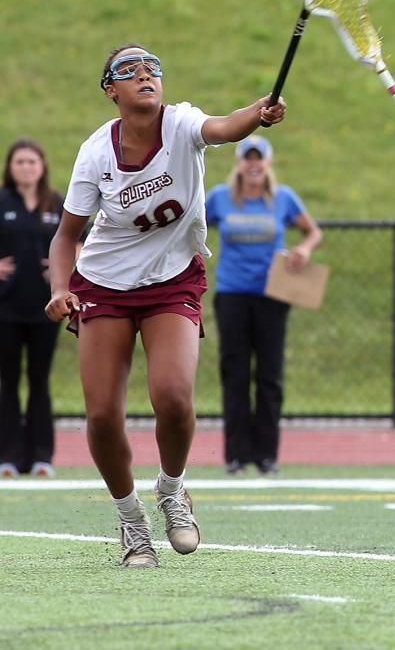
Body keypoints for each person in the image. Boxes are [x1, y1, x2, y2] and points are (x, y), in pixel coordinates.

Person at [44, 44, 286, 568]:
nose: (144, 75)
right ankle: (131, 521)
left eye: (152, 67)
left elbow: (227, 127)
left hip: (172, 280)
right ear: (111, 90)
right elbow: (66, 236)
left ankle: (172, 488)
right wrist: (61, 287)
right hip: (103, 286)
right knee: (104, 413)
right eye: (128, 71)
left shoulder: (182, 125)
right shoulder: (95, 153)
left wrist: (258, 110)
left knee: (173, 398)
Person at [206, 135, 321, 477]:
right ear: (239, 163)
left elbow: (312, 232)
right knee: (235, 374)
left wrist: (304, 251)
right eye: (248, 158)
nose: (253, 164)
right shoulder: (220, 197)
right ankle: (236, 455)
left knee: (269, 376)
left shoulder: (283, 199)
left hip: (273, 295)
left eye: (259, 159)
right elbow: (194, 224)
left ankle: (267, 455)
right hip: (232, 294)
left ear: (268, 163)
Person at [0, 139, 63, 478]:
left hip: (45, 307)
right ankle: (7, 457)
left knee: (39, 381)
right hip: (5, 309)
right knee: (7, 382)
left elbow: (83, 240)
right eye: (19, 161)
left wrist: (66, 265)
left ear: (42, 166)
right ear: (10, 167)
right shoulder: (2, 202)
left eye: (31, 161)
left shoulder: (57, 203)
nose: (26, 167)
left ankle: (41, 457)